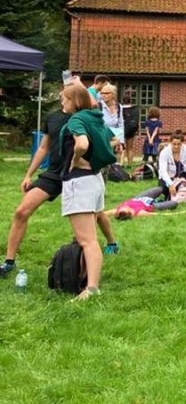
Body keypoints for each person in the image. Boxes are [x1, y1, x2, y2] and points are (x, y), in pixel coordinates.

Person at [1, 98, 118, 278]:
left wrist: (90, 159)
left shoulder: (84, 118)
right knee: (22, 211)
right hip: (55, 173)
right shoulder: (54, 118)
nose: (63, 97)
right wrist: (28, 174)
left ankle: (111, 243)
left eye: (67, 94)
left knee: (98, 214)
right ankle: (9, 262)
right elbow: (43, 147)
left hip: (79, 174)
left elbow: (110, 138)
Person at [57, 82, 113, 300]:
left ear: (74, 101)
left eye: (64, 98)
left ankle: (91, 289)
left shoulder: (77, 119)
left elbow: (82, 143)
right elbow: (114, 140)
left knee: (87, 240)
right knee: (89, 237)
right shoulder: (94, 116)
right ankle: (86, 279)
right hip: (95, 180)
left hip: (80, 182)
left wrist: (76, 159)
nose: (62, 101)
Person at [157, 131, 186, 198]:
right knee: (165, 190)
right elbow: (163, 171)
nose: (176, 146)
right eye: (174, 144)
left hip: (181, 176)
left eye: (179, 144)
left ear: (182, 143)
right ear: (170, 143)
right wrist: (170, 184)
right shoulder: (164, 152)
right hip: (168, 178)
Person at [98, 83, 125, 165]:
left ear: (113, 94)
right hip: (102, 137)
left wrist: (121, 142)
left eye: (106, 93)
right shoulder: (98, 106)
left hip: (114, 137)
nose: (104, 95)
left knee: (113, 160)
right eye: (102, 93)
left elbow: (120, 124)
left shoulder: (119, 107)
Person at [121, 87, 139, 168]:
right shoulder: (134, 109)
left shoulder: (120, 108)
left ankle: (120, 163)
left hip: (122, 129)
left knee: (122, 147)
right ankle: (129, 164)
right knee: (130, 148)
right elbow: (136, 120)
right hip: (131, 130)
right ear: (130, 100)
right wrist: (136, 130)